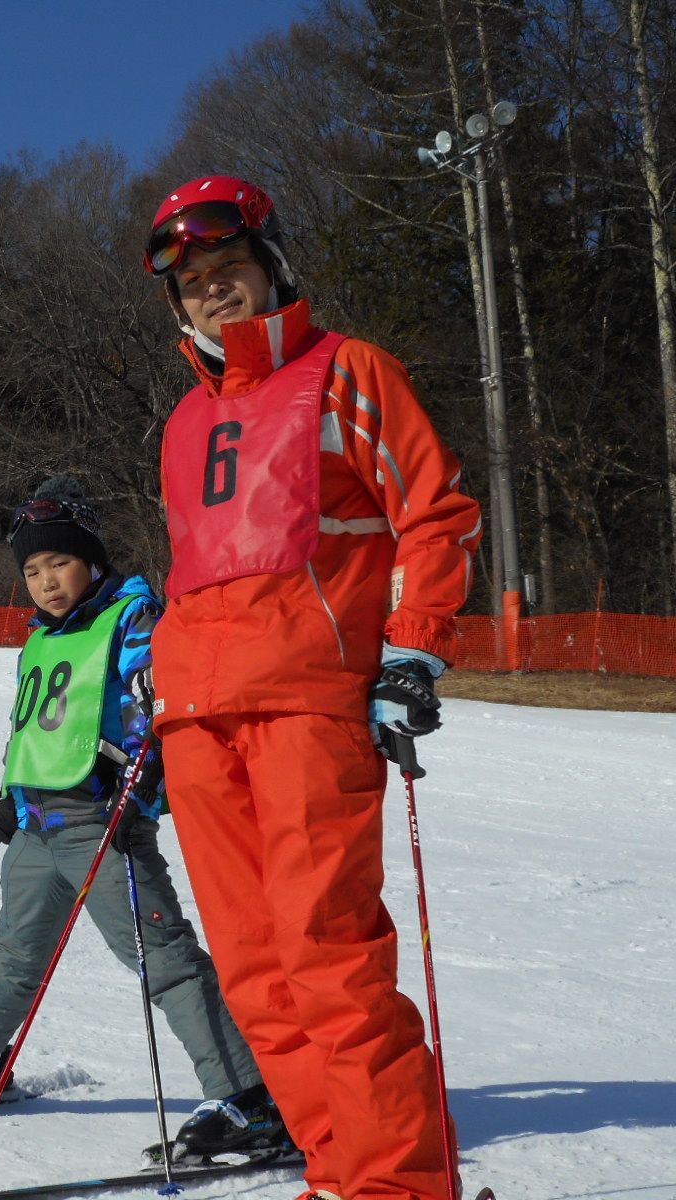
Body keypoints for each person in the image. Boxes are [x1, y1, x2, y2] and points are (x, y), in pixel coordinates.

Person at [141, 175, 484, 1200]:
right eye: (193, 283)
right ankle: (340, 1173)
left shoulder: (347, 373)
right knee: (255, 976)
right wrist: (154, 709)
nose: (212, 293)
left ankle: (396, 1188)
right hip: (199, 721)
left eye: (228, 269)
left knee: (328, 961)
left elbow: (434, 511)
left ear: (273, 264)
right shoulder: (182, 425)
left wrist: (410, 651)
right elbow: (194, 578)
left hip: (306, 704)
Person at [0, 475, 292, 1165]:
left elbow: (159, 711)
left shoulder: (131, 619)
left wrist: (139, 792)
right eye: (32, 570)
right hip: (38, 822)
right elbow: (34, 727)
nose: (45, 581)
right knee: (11, 950)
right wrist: (11, 790)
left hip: (103, 821)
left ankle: (247, 1096)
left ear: (92, 558)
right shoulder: (40, 639)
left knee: (164, 959)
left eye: (59, 563)